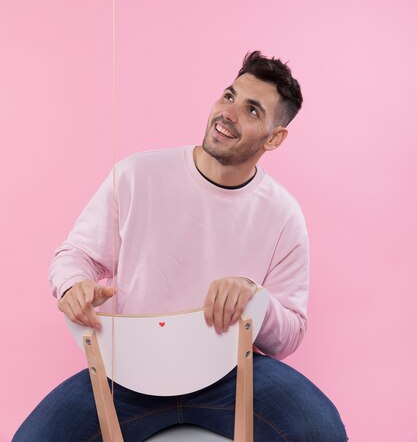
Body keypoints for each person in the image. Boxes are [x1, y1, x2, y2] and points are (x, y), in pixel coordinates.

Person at [13, 51, 348, 441]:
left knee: (322, 431)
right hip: (128, 373)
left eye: (252, 110)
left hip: (231, 373)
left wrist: (255, 299)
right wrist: (74, 286)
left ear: (275, 137)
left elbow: (289, 334)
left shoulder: (283, 214)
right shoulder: (137, 175)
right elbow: (75, 256)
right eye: (228, 96)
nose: (229, 113)